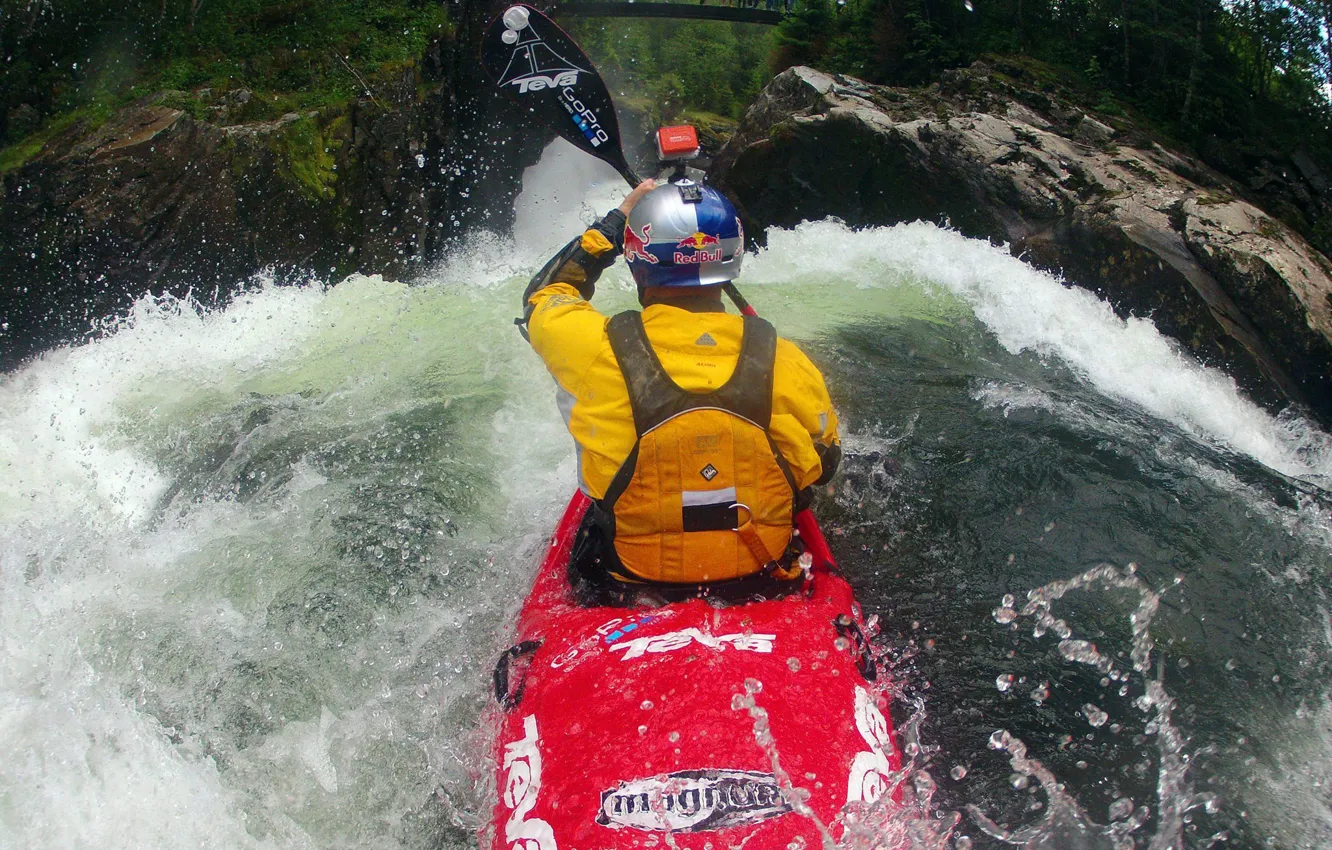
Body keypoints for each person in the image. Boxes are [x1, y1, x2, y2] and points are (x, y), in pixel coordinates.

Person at [518, 178, 842, 604]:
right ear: (732, 259)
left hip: (627, 581)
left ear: (639, 261)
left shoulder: (595, 346)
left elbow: (545, 294)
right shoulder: (785, 357)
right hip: (757, 579)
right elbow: (826, 459)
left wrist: (615, 224)